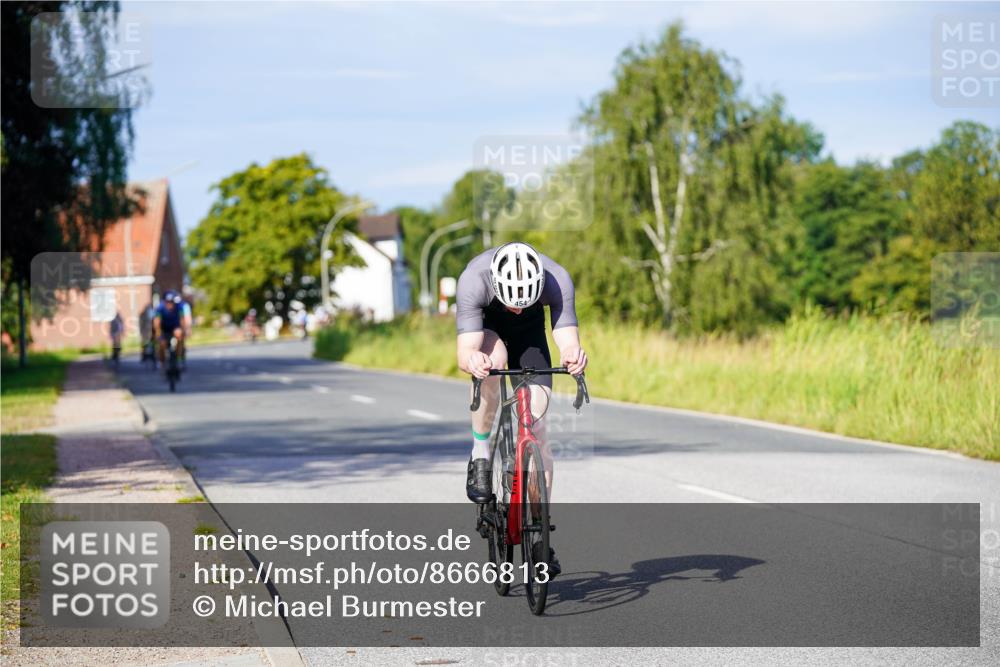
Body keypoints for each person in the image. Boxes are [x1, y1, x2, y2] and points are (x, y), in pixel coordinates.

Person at [455, 242, 588, 576]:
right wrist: (474, 360)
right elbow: (464, 353)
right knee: (492, 363)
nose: (516, 309)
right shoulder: (474, 279)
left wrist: (572, 354)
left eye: (523, 302)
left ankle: (540, 533)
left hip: (530, 336)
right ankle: (481, 452)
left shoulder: (556, 278)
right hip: (488, 332)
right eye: (511, 302)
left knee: (537, 428)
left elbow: (567, 338)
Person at [153, 290, 186, 369]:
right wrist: (158, 333)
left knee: (179, 336)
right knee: (162, 344)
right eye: (168, 302)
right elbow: (157, 321)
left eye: (171, 302)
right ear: (164, 301)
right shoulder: (160, 308)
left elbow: (182, 319)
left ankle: (178, 358)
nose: (170, 304)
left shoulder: (179, 307)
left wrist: (183, 330)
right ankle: (162, 362)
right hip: (164, 328)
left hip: (175, 327)